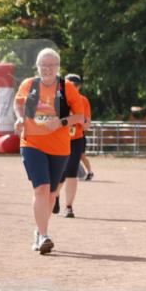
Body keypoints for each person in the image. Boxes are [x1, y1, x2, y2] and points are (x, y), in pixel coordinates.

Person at [13, 48, 86, 254]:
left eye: (51, 65)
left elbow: (79, 117)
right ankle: (44, 235)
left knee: (52, 193)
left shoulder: (67, 87)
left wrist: (61, 122)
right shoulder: (29, 85)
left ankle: (39, 230)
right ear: (37, 67)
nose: (47, 69)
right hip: (32, 143)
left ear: (58, 67)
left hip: (60, 146)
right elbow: (18, 104)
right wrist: (20, 118)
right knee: (41, 189)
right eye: (43, 65)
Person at [58, 74, 91, 217]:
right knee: (60, 173)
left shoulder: (83, 101)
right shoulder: (57, 99)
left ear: (79, 86)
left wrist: (78, 119)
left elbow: (86, 126)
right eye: (69, 85)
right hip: (58, 139)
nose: (73, 87)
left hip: (76, 139)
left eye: (75, 85)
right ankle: (55, 195)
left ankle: (69, 207)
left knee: (71, 171)